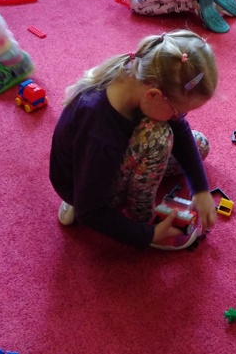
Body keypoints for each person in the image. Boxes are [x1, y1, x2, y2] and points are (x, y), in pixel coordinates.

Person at [49, 30, 218, 250]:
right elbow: (89, 212)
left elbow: (179, 127)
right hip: (83, 187)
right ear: (153, 95)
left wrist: (200, 187)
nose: (179, 117)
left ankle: (98, 187)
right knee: (157, 136)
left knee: (199, 144)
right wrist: (149, 235)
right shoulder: (100, 134)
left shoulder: (138, 76)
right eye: (177, 110)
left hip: (106, 160)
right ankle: (142, 218)